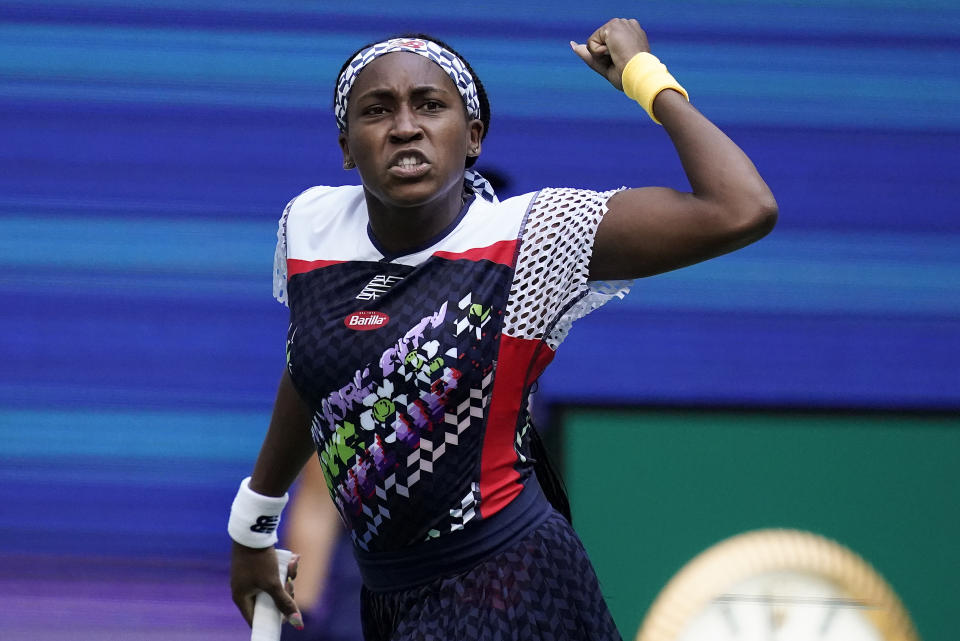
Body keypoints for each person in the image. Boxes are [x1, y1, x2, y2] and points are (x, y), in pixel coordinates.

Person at [229, 18, 777, 641]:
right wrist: (252, 526)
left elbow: (742, 208)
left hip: (509, 586)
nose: (405, 126)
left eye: (431, 106)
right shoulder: (310, 224)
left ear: (473, 137)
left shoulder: (532, 240)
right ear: (346, 146)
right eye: (377, 110)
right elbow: (317, 370)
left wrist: (645, 78)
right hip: (386, 595)